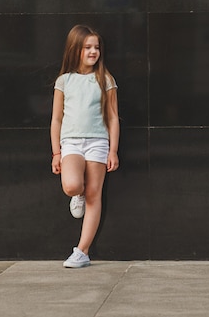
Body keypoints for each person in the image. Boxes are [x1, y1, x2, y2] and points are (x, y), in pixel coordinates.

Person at [50, 24, 120, 268]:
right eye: (87, 47)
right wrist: (56, 153)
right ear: (75, 49)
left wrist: (113, 150)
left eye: (96, 47)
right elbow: (56, 119)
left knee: (94, 195)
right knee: (72, 185)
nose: (93, 52)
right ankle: (76, 194)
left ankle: (82, 251)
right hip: (71, 143)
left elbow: (112, 117)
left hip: (98, 143)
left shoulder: (105, 79)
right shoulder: (64, 81)